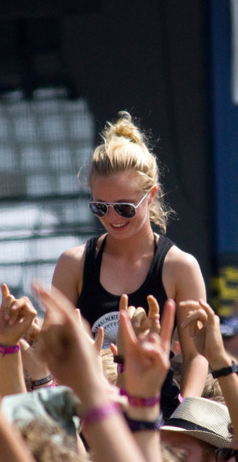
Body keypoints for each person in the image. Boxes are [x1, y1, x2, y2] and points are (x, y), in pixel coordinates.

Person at [51, 111, 209, 406]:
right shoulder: (73, 264)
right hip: (92, 418)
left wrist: (185, 420)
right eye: (100, 207)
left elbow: (196, 355)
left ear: (151, 196)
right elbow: (54, 351)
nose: (111, 218)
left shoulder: (180, 267)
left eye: (124, 208)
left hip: (159, 417)